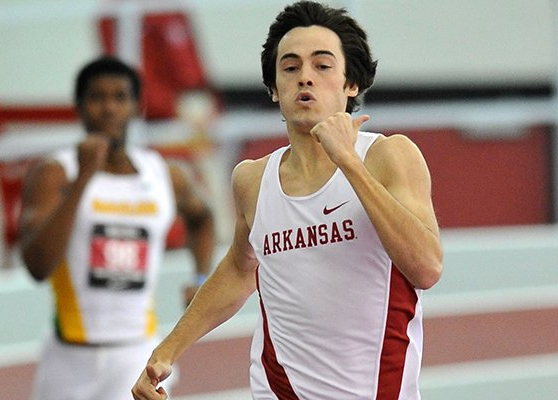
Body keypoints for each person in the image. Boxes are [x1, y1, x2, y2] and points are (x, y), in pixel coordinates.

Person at [132, 1, 443, 399]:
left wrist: (348, 163)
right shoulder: (252, 179)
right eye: (291, 68)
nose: (305, 79)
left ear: (351, 84)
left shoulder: (388, 157)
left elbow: (426, 267)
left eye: (322, 65)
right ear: (274, 90)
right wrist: (166, 351)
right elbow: (240, 268)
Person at [18, 56, 215, 400]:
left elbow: (203, 217)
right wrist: (84, 178)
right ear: (79, 107)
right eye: (97, 97)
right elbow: (37, 265)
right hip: (68, 358)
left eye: (119, 97)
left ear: (137, 107)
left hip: (135, 352)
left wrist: (200, 278)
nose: (108, 108)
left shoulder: (163, 174)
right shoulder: (56, 174)